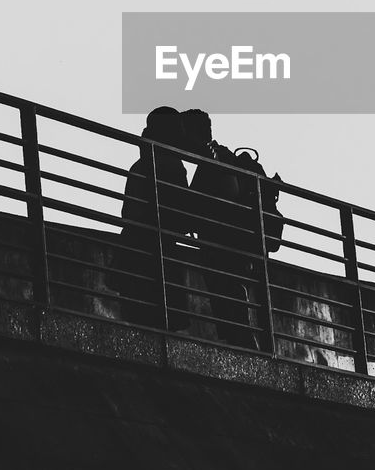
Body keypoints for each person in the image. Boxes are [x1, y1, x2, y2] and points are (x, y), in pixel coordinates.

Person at [183, 109, 283, 350]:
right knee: (234, 313)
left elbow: (207, 207)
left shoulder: (214, 160)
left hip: (224, 251)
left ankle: (253, 360)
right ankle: (251, 354)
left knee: (233, 314)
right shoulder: (222, 157)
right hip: (234, 249)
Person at [112, 107, 191, 328]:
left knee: (140, 326)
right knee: (164, 326)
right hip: (157, 253)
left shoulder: (141, 164)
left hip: (136, 252)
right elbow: (181, 216)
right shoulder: (171, 166)